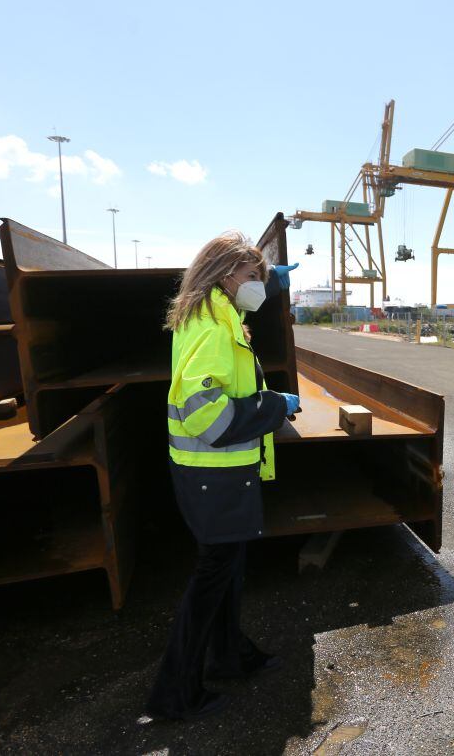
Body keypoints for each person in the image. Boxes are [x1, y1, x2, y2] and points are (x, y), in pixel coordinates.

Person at [146, 231, 299, 721]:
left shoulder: (214, 311)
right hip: (215, 476)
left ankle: (231, 656)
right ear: (226, 276)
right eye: (251, 276)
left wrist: (271, 280)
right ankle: (174, 694)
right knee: (212, 579)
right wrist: (275, 406)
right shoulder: (214, 328)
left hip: (214, 476)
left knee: (229, 572)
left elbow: (249, 292)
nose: (258, 284)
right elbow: (207, 417)